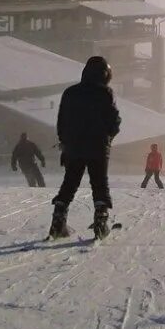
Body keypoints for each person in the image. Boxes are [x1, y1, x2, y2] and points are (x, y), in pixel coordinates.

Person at [48, 56, 121, 239]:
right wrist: (109, 137)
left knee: (69, 183)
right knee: (99, 184)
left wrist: (65, 142)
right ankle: (100, 221)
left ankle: (58, 220)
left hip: (73, 146)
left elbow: (61, 121)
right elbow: (114, 120)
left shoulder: (70, 92)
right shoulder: (105, 93)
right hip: (98, 147)